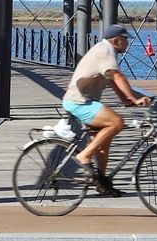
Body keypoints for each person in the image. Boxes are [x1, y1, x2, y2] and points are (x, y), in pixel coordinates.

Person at [61, 23, 150, 197]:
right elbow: (118, 76)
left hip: (82, 101)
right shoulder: (105, 51)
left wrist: (125, 100)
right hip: (79, 101)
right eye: (125, 40)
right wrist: (134, 98)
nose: (127, 43)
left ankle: (102, 183)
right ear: (116, 40)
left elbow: (111, 79)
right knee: (117, 122)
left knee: (103, 142)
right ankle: (84, 155)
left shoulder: (105, 51)